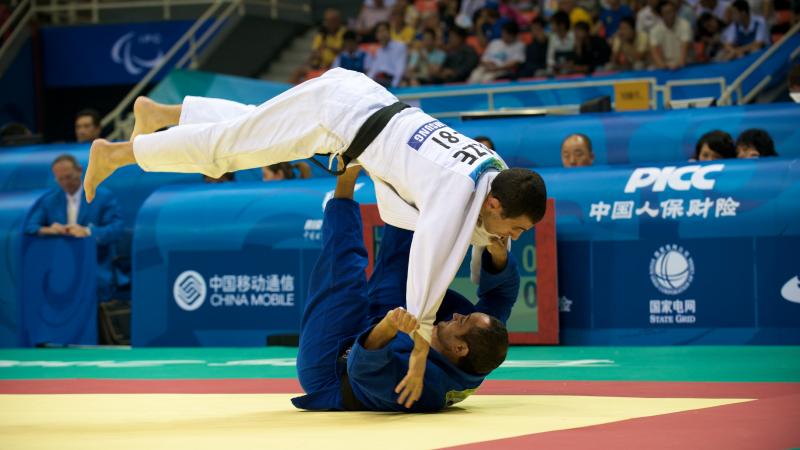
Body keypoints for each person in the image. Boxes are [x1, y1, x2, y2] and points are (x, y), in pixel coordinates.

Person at [83, 68, 547, 404]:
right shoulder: (455, 197)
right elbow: (429, 262)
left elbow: (459, 217)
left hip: (360, 99)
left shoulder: (496, 170)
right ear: (495, 204)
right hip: (340, 118)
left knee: (256, 126)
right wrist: (422, 345)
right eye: (516, 229)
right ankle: (121, 153)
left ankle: (164, 111)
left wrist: (490, 240)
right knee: (228, 152)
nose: (513, 237)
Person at [292, 166, 519, 411]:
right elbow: (501, 296)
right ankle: (405, 174)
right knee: (412, 245)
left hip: (335, 368)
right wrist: (499, 259)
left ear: (460, 348)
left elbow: (361, 371)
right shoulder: (483, 339)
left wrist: (387, 327)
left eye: (461, 321)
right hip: (398, 322)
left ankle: (346, 175)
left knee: (342, 271)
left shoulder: (424, 386)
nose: (456, 315)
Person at [24, 154, 124, 301]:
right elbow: (30, 227)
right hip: (60, 265)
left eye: (69, 177)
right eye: (60, 179)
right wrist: (49, 230)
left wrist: (87, 232)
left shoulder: (103, 197)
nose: (65, 182)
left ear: (79, 170)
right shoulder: (49, 201)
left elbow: (117, 229)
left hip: (95, 265)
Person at [649, 0, 693, 69]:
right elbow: (655, 52)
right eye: (666, 13)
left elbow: (684, 50)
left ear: (675, 11)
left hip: (685, 64)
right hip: (665, 66)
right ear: (661, 15)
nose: (670, 15)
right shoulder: (655, 30)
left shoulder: (685, 25)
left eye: (672, 11)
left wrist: (678, 64)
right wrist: (663, 65)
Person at [367, 22, 407, 87]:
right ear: (376, 36)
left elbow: (400, 70)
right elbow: (373, 70)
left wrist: (394, 87)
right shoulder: (379, 50)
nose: (381, 34)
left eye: (383, 30)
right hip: (380, 81)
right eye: (378, 32)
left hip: (391, 81)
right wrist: (366, 85)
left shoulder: (400, 46)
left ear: (389, 32)